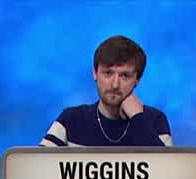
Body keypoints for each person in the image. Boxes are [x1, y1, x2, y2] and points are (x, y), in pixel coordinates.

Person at [40, 36, 173, 148]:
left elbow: (166, 168)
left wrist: (138, 119)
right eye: (108, 73)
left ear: (137, 79)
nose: (115, 85)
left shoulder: (155, 121)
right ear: (95, 73)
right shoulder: (71, 120)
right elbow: (38, 166)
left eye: (125, 76)